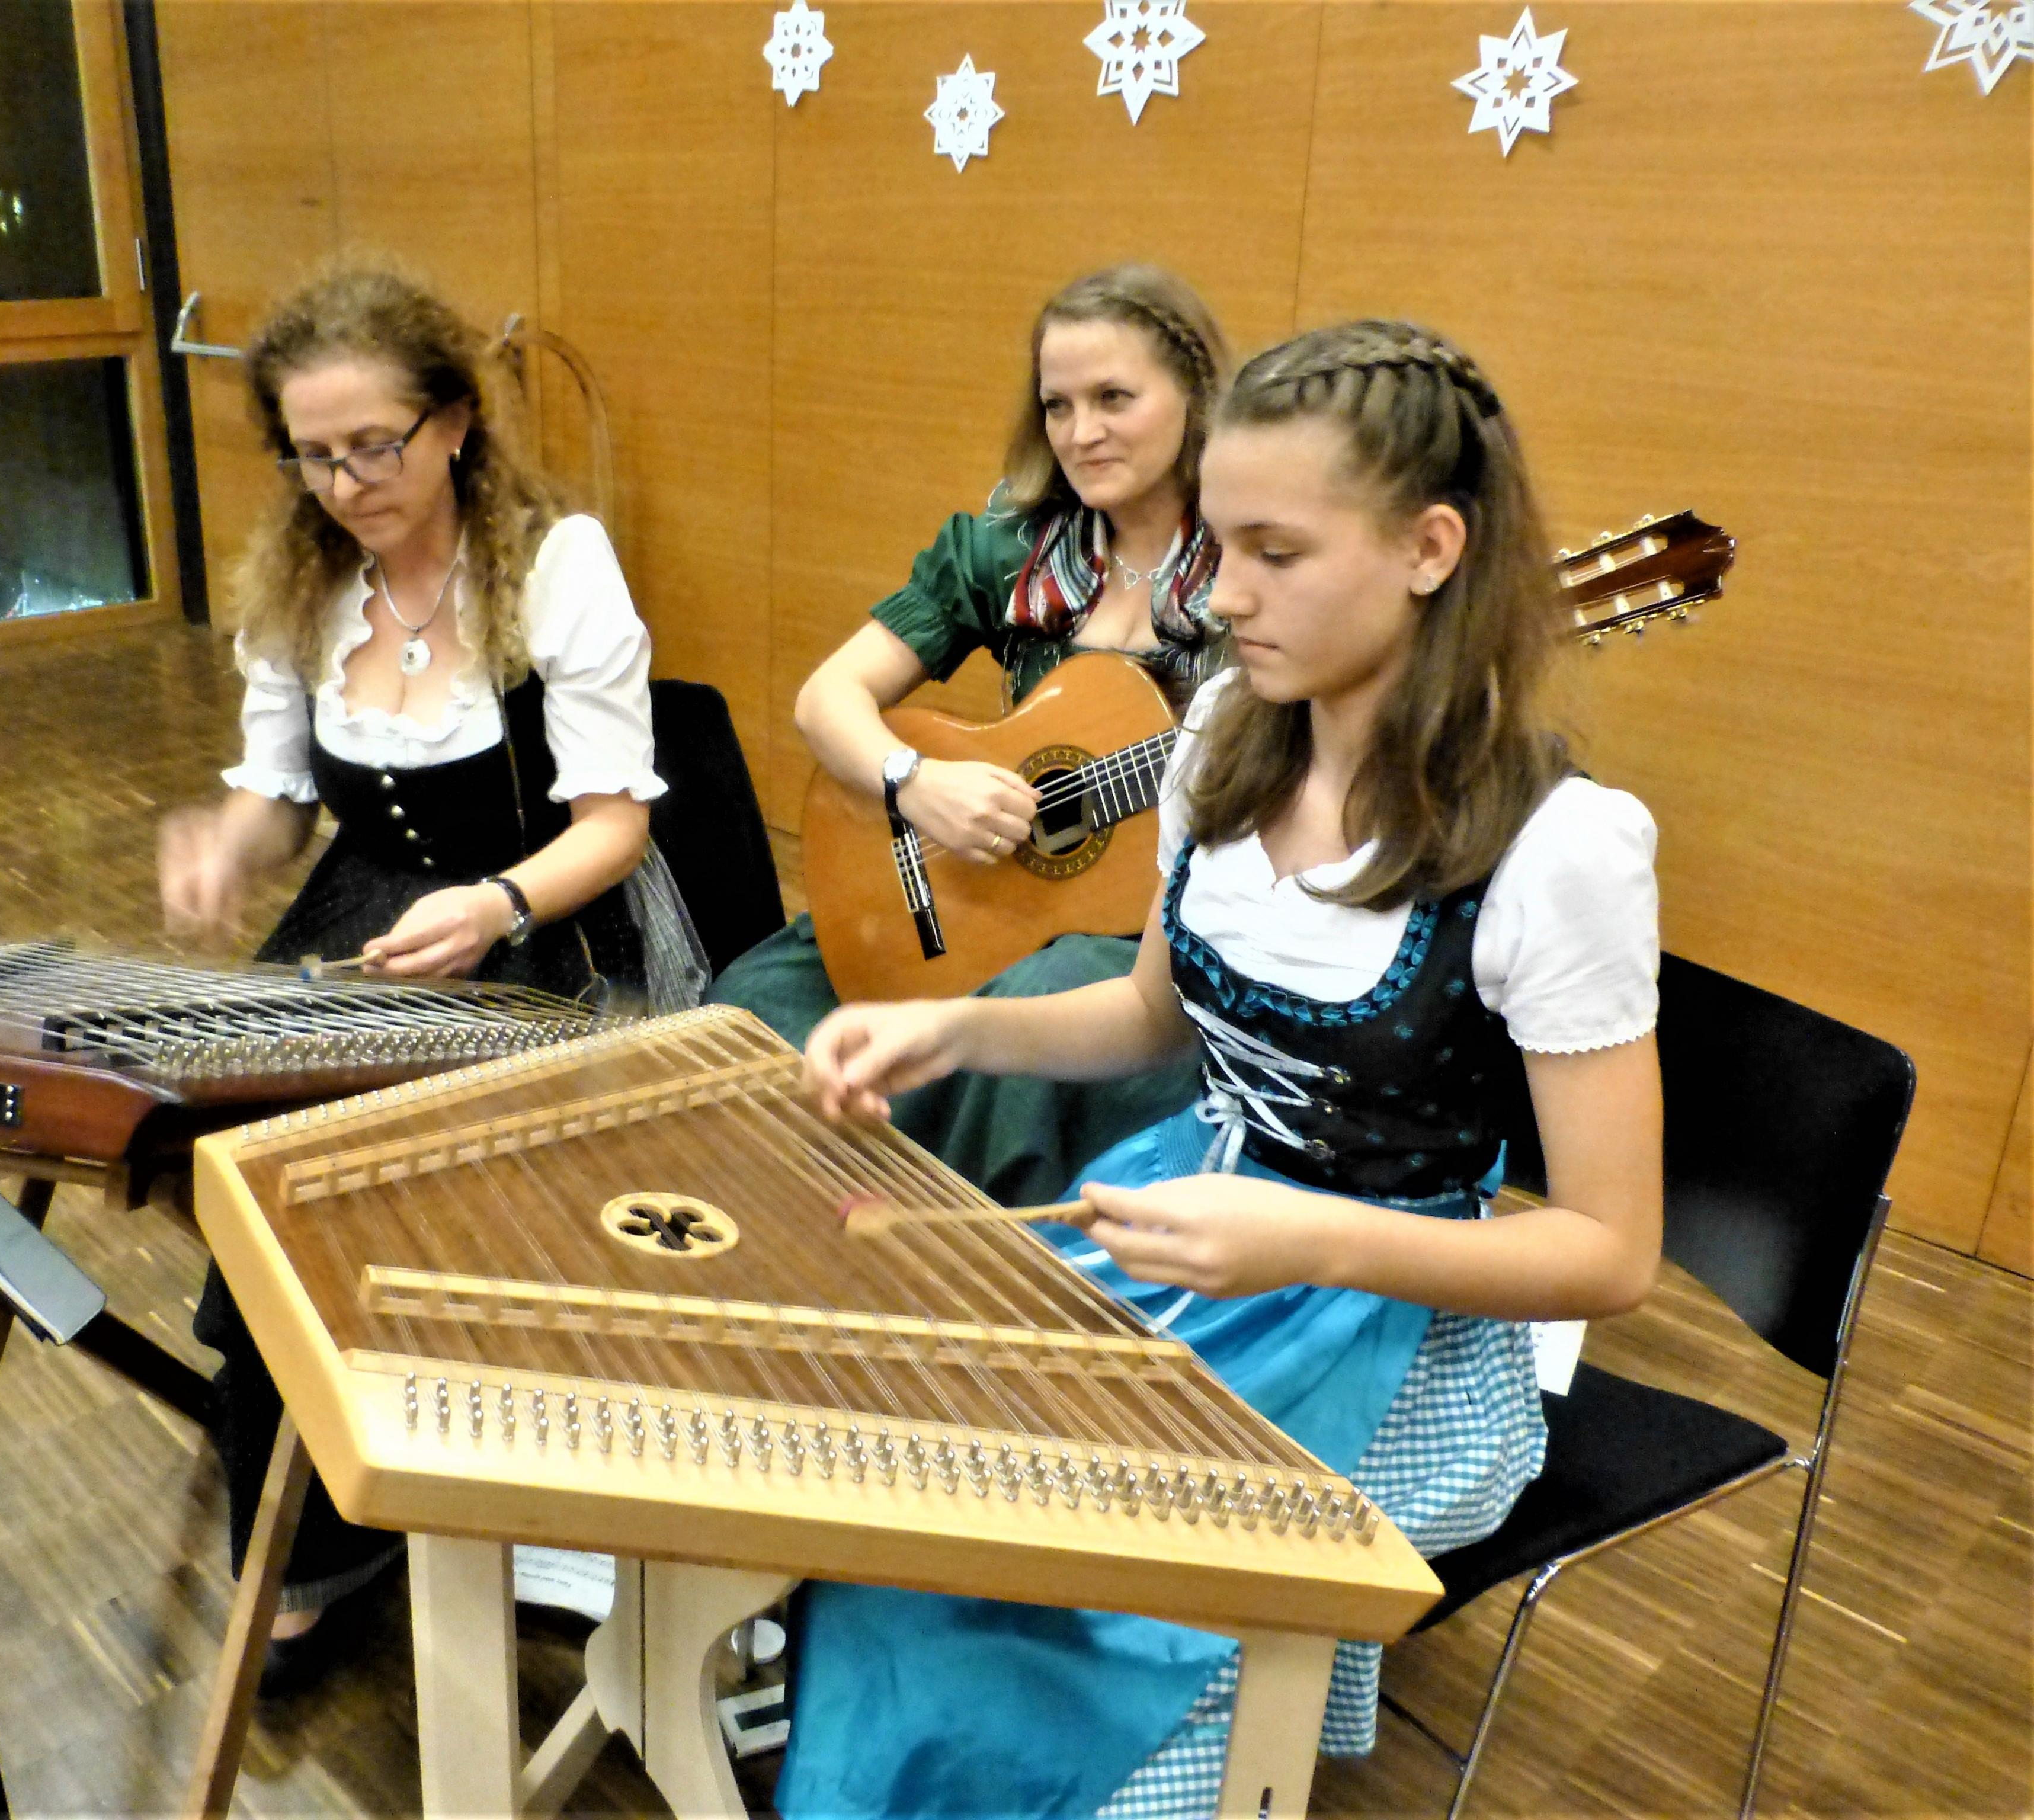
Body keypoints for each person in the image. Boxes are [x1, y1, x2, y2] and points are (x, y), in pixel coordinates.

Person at [784, 321, 1664, 1818]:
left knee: (1063, 1630)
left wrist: (1304, 1238)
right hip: (1193, 1227)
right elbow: (1149, 1019)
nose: (1220, 596)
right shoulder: (1222, 737)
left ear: (1429, 548)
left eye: (1273, 553)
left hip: (1395, 1324)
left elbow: (1608, 1252)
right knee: (914, 1520)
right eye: (1217, 544)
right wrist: (960, 1027)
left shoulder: (1560, 846)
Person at [158, 264, 682, 1692]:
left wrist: (496, 903)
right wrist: (226, 842)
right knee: (259, 1149)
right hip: (364, 912)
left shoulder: (554, 565)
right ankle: (316, 1507)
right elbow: (280, 800)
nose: (345, 485)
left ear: (451, 423)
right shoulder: (301, 581)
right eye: (313, 455)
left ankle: (456, 1476)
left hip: (543, 918)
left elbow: (615, 828)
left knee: (414, 1175)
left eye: (374, 446)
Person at [711, 264, 1231, 1207]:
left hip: (1153, 940)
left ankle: (924, 1241)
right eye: (1058, 405)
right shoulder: (1011, 548)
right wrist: (915, 782)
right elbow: (829, 698)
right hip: (989, 896)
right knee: (755, 1002)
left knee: (1029, 1014)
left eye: (1114, 398)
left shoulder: (1255, 570)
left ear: (1194, 395)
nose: (1081, 432)